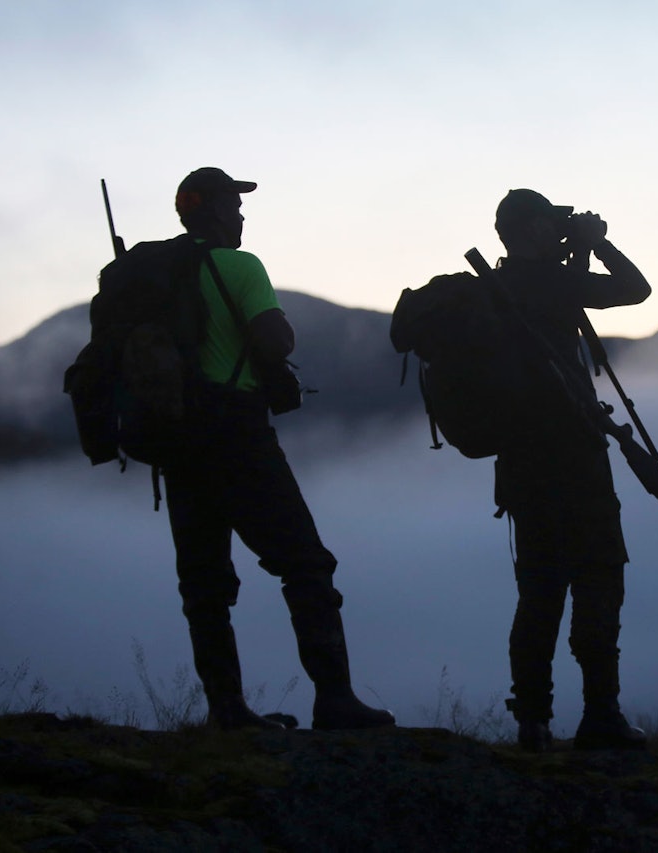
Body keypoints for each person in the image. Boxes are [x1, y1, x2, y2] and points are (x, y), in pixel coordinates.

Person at [165, 167, 395, 730]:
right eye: (235, 204)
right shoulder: (240, 266)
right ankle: (335, 699)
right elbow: (275, 340)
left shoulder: (149, 277)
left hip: (172, 439)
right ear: (216, 210)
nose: (241, 215)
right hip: (236, 432)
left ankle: (226, 710)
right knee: (306, 564)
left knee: (203, 580)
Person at [489, 188, 651, 752]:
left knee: (538, 592)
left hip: (522, 465)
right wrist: (597, 243)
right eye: (548, 223)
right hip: (576, 459)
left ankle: (532, 720)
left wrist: (573, 249)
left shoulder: (496, 290)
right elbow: (636, 290)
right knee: (598, 575)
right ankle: (601, 713)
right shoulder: (554, 283)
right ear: (531, 230)